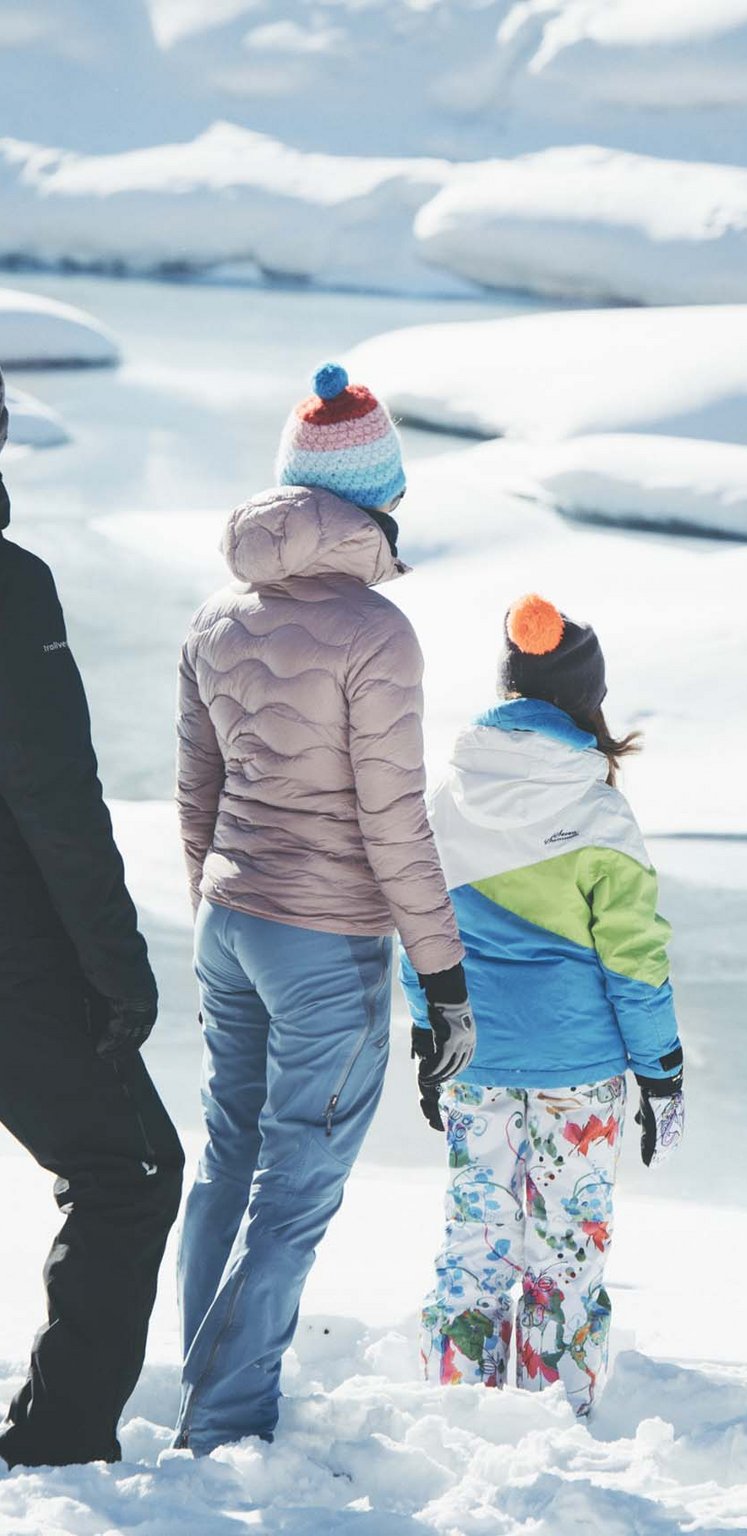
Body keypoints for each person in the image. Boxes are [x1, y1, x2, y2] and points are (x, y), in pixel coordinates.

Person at [174, 363, 476, 1454]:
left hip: (232, 923)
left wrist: (220, 898)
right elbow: (396, 820)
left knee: (225, 1162)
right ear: (378, 498)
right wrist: (442, 980)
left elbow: (196, 790)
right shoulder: (376, 633)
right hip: (325, 941)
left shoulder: (218, 615)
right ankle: (225, 1419)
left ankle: (210, 1394)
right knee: (293, 1191)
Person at [405, 593, 684, 1416]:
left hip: (476, 1060)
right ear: (583, 703)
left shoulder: (444, 801)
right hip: (580, 1070)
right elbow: (636, 961)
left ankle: (458, 1413)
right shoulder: (599, 810)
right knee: (564, 1251)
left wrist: (430, 1041)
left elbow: (415, 931)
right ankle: (558, 1420)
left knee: (474, 1244)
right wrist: (662, 1073)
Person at [0, 367, 184, 1468]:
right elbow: (53, 793)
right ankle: (61, 1442)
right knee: (134, 1169)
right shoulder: (10, 588)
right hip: (15, 953)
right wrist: (121, 973)